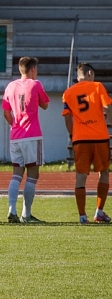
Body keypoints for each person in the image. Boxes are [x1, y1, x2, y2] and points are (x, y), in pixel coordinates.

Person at [2, 57, 50, 223]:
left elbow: (6, 113)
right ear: (32, 69)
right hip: (32, 135)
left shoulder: (10, 86)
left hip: (15, 136)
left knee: (16, 174)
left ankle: (11, 209)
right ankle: (26, 215)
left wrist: (15, 124)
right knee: (32, 174)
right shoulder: (35, 84)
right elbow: (45, 105)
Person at [62, 63, 111, 223]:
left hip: (80, 139)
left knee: (80, 176)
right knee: (103, 172)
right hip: (100, 138)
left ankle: (82, 216)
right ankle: (99, 211)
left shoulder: (68, 93)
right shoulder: (97, 86)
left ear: (78, 76)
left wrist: (73, 134)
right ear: (90, 73)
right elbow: (108, 107)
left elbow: (67, 118)